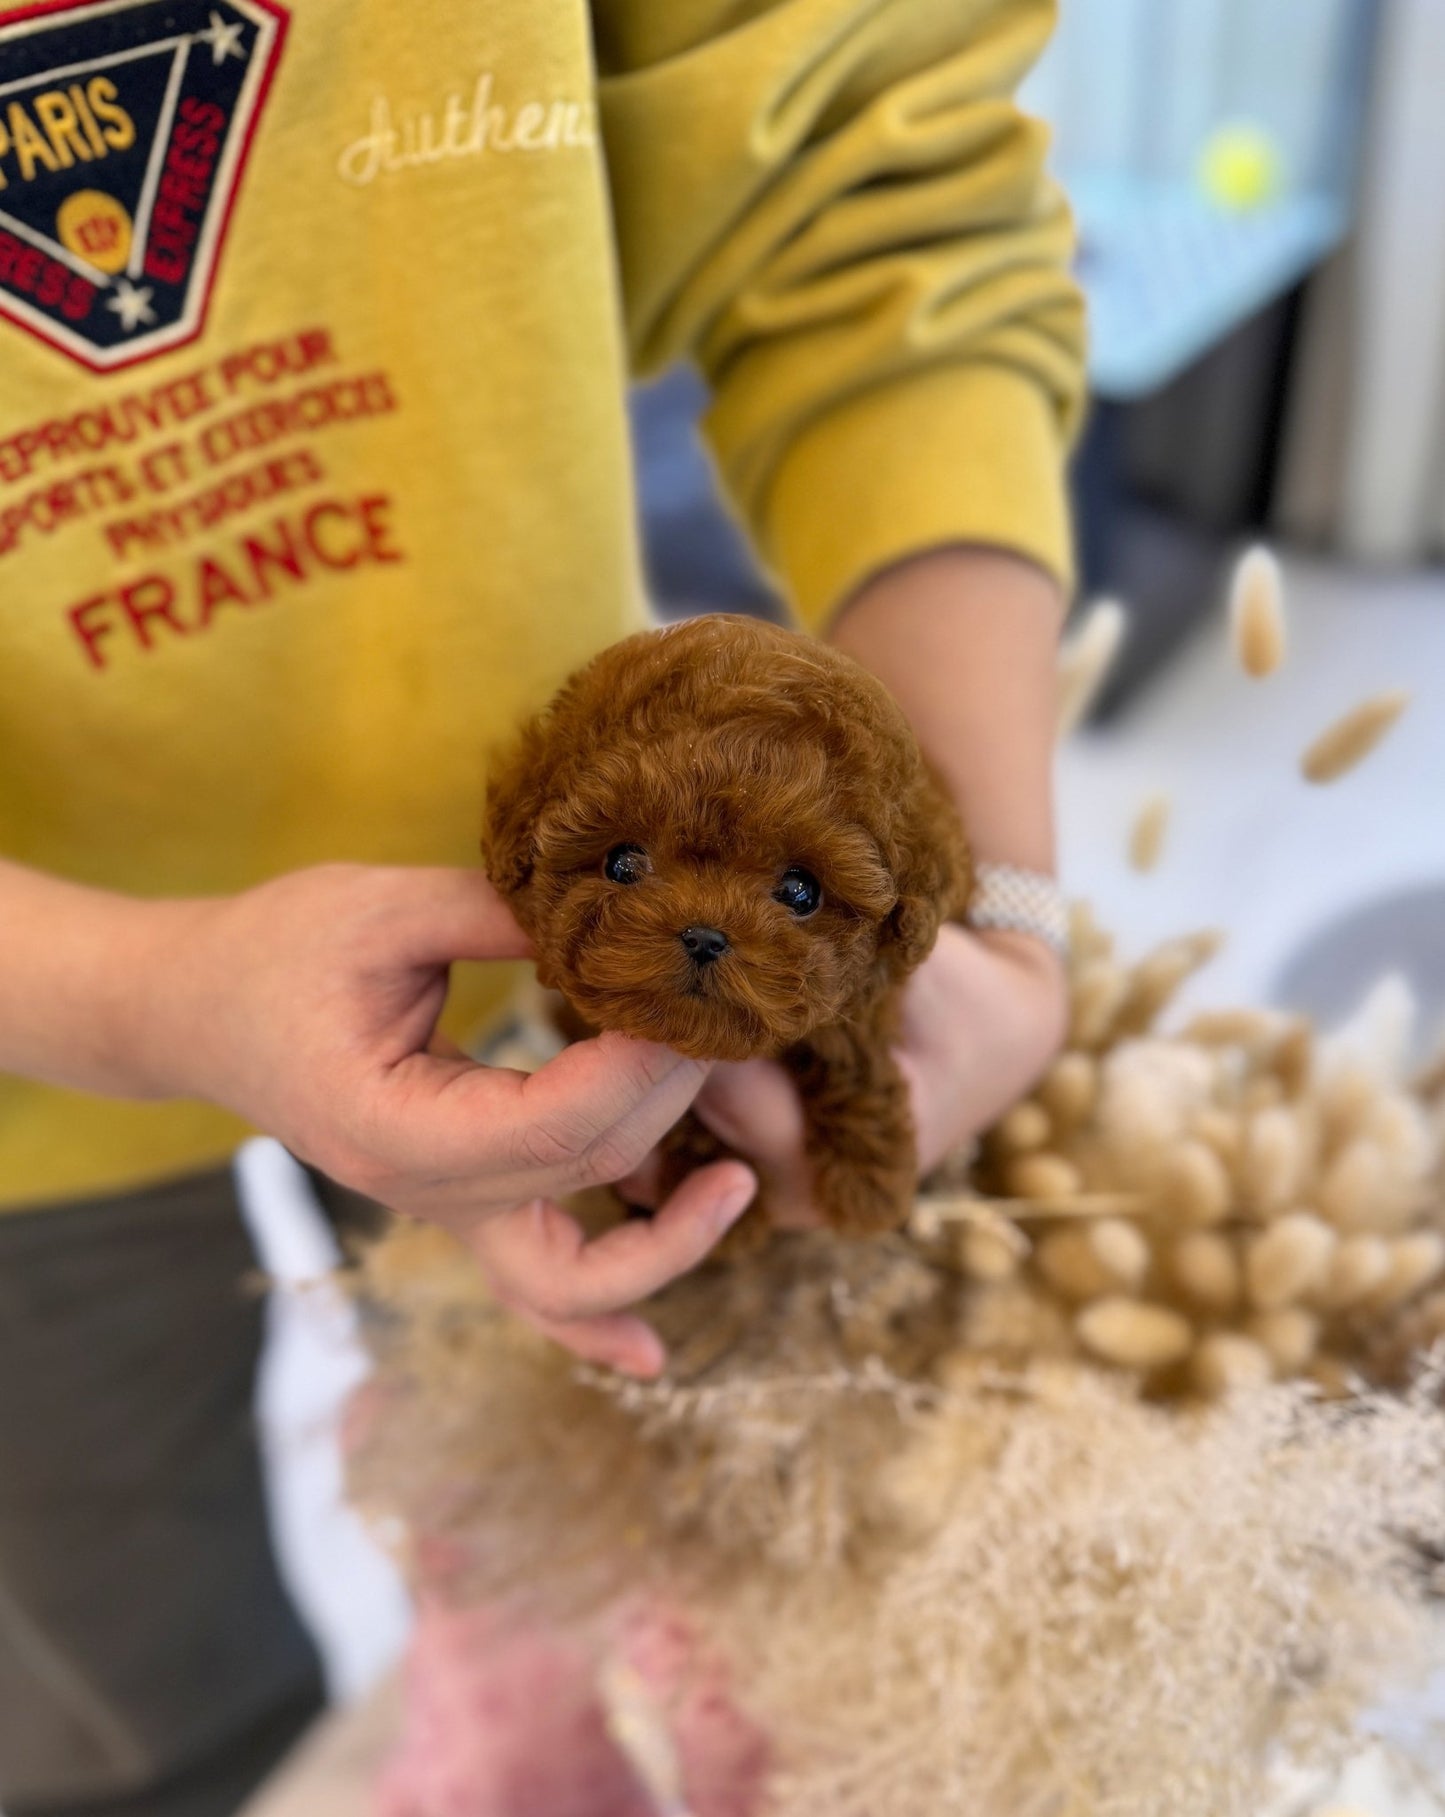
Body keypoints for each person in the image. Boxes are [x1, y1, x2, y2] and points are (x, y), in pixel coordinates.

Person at [0, 0, 1084, 1810]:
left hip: (553, 1013)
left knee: (589, 1536)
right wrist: (142, 990)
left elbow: (870, 189)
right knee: (128, 1683)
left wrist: (992, 906)